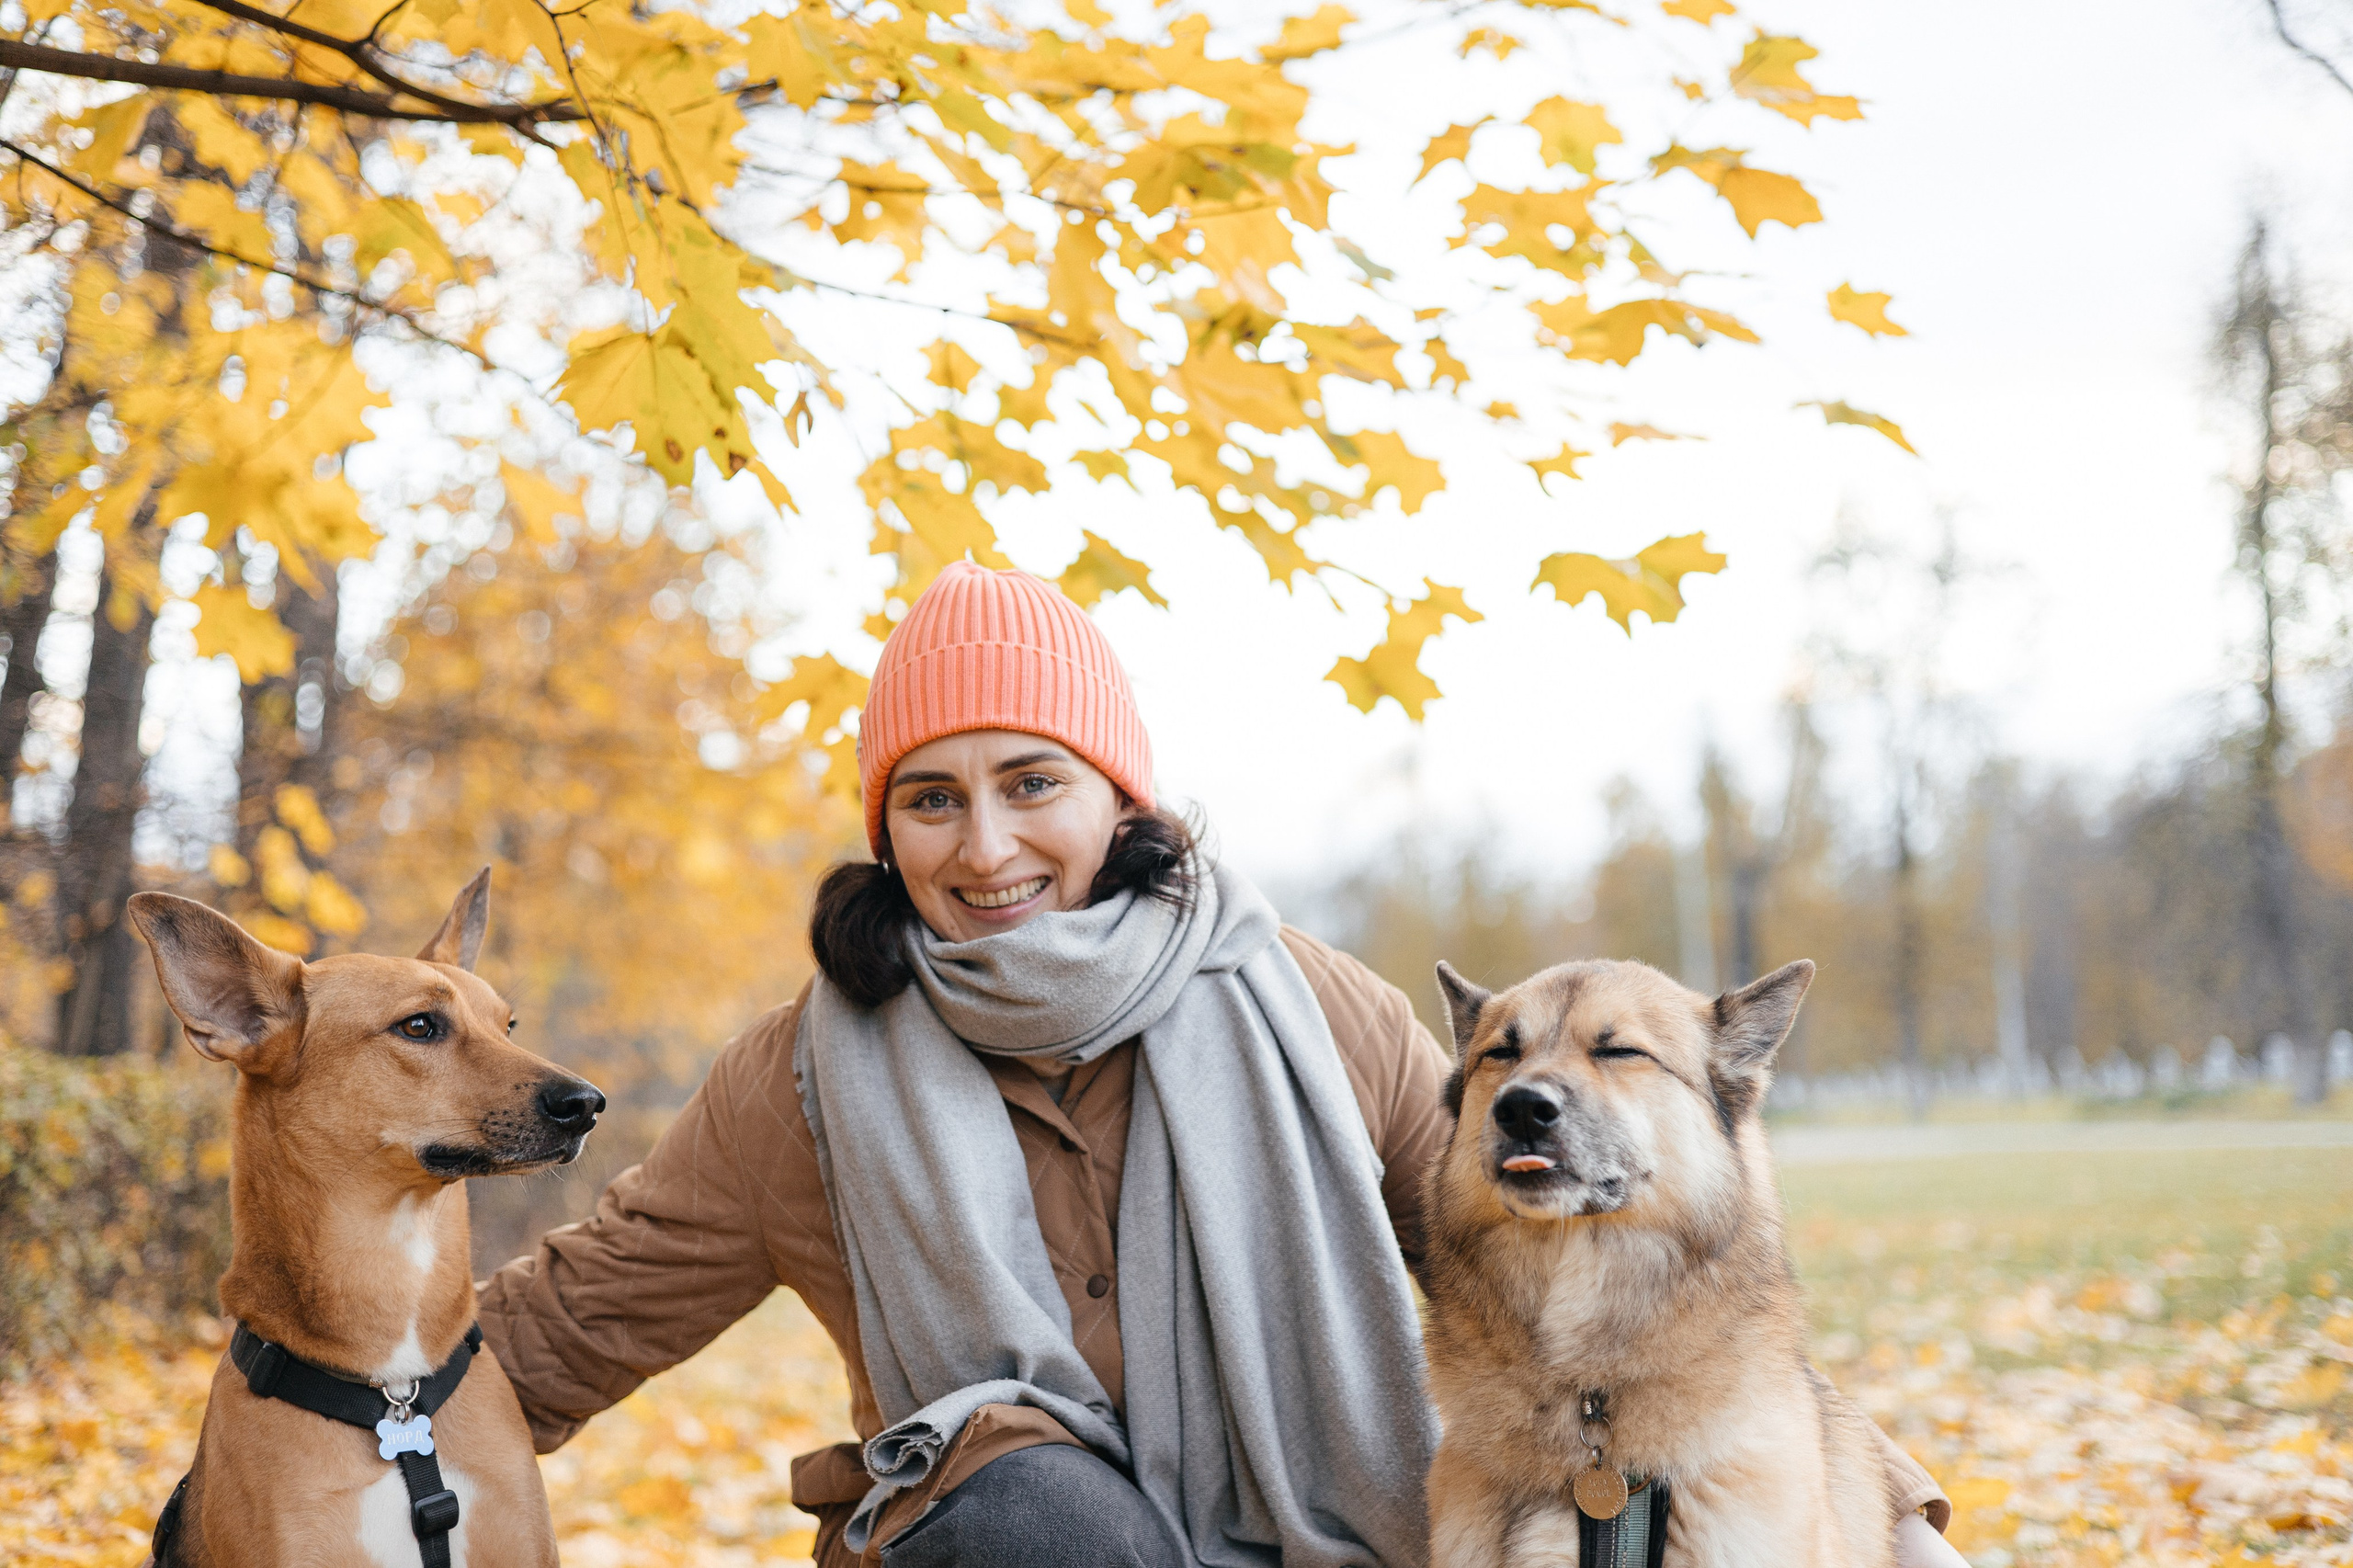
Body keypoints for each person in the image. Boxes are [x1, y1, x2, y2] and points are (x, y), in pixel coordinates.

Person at [477, 562, 1962, 1567]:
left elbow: (1556, 1271)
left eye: (1031, 782)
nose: (984, 847)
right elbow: (566, 1326)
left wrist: (1889, 1508)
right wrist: (348, 1437)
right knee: (1036, 1510)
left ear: (1116, 795)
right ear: (886, 826)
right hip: (1000, 1547)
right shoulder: (802, 1077)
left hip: (1318, 1538)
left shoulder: (1301, 1004)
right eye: (930, 799)